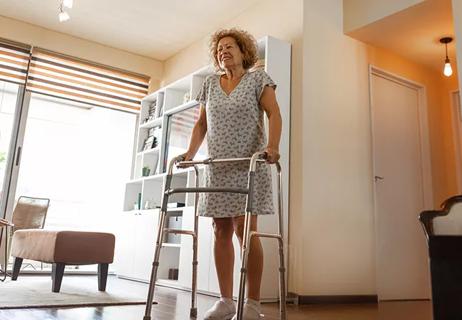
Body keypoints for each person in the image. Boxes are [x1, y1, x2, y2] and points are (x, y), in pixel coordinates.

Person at [181, 28, 282, 320]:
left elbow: (274, 113)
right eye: (219, 49)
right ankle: (225, 301)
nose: (223, 52)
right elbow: (201, 125)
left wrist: (273, 146)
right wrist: (189, 155)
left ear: (243, 52)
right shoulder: (210, 85)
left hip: (248, 165)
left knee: (244, 231)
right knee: (220, 230)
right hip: (219, 168)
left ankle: (252, 303)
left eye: (229, 47)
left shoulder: (257, 79)